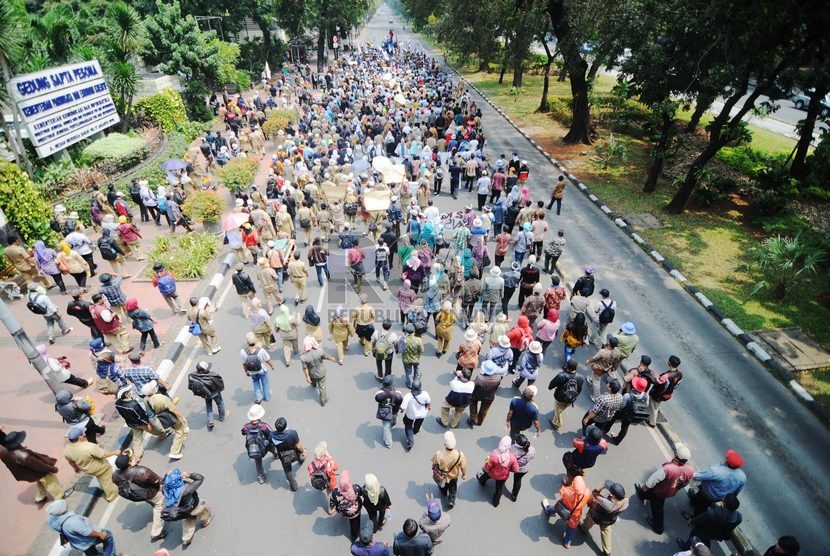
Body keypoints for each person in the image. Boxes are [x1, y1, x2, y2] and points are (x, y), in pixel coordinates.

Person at [0, 430, 72, 505]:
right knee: (50, 481)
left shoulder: (9, 453)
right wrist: (52, 469)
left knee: (40, 481)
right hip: (37, 471)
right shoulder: (23, 456)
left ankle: (40, 498)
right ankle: (60, 495)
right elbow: (39, 465)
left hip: (29, 474)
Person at [635, 443, 694, 534]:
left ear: (675, 454)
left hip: (659, 492)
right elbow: (686, 483)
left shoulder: (668, 468)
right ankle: (642, 495)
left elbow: (654, 479)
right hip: (671, 491)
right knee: (648, 495)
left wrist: (646, 486)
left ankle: (658, 528)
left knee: (657, 507)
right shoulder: (690, 470)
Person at [112, 452, 167, 541]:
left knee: (150, 501)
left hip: (137, 495)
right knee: (159, 506)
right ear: (129, 463)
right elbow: (159, 481)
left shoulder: (115, 476)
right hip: (152, 493)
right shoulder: (143, 471)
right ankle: (156, 532)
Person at [64, 426, 119, 502]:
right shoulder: (88, 446)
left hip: (86, 468)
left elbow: (70, 461)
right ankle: (111, 495)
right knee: (107, 480)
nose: (84, 435)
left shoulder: (67, 449)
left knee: (101, 478)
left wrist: (75, 468)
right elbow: (103, 454)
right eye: (82, 434)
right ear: (79, 438)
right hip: (100, 467)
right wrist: (115, 453)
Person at [160, 468, 213, 549]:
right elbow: (200, 478)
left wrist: (167, 475)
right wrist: (189, 475)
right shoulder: (187, 489)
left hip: (181, 511)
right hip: (194, 506)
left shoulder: (165, 489)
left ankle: (186, 538)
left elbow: (164, 481)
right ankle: (205, 521)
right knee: (204, 511)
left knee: (188, 521)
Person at [688, 449, 746, 518]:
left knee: (702, 507)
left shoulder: (716, 471)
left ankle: (694, 518)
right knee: (702, 501)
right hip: (719, 497)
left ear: (726, 461)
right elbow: (736, 492)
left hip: (707, 494)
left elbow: (698, 476)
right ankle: (694, 501)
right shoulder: (742, 476)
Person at [46, 499, 116, 556]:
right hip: (88, 539)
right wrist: (100, 534)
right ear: (61, 510)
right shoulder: (73, 522)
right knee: (108, 535)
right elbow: (88, 532)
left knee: (91, 553)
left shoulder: (51, 519)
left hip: (78, 543)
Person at [114, 385, 165, 461]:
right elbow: (141, 416)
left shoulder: (117, 403)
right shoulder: (133, 404)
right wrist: (148, 423)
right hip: (141, 423)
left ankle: (137, 455)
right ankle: (162, 434)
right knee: (154, 430)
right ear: (126, 394)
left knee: (137, 438)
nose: (131, 392)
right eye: (129, 391)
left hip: (131, 423)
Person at [141, 380, 188, 460]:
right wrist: (182, 417)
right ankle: (174, 452)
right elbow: (173, 410)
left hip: (163, 418)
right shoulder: (162, 398)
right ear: (151, 391)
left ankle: (184, 433)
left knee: (175, 427)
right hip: (170, 415)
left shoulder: (147, 401)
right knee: (179, 430)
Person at [542, 474, 591, 549]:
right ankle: (567, 542)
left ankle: (548, 510)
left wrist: (566, 487)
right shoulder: (587, 492)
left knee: (555, 508)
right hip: (575, 515)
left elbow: (561, 491)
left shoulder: (570, 492)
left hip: (563, 507)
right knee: (571, 528)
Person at [581, 481, 629, 556]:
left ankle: (583, 528)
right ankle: (607, 551)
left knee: (588, 521)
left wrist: (603, 486)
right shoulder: (625, 501)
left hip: (596, 516)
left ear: (613, 496)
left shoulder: (605, 502)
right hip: (609, 520)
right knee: (606, 531)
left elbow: (594, 493)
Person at [476, 435, 520, 507]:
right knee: (499, 489)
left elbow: (488, 466)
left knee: (485, 476)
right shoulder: (512, 457)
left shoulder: (494, 454)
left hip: (492, 473)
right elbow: (516, 469)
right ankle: (495, 502)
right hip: (503, 476)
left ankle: (481, 481)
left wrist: (485, 469)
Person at [607, 376, 650, 444]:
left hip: (626, 414)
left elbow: (621, 407)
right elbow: (646, 405)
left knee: (614, 416)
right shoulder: (646, 395)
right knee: (624, 427)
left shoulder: (627, 395)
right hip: (635, 416)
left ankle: (606, 429)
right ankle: (617, 441)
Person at [187, 361, 229, 430]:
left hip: (205, 394)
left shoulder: (193, 376)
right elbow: (220, 384)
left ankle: (210, 420)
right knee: (220, 403)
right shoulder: (212, 376)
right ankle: (222, 417)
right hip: (215, 393)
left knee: (208, 405)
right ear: (205, 370)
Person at [430, 431, 467, 508]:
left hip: (441, 476)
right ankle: (451, 500)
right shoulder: (460, 455)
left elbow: (434, 463)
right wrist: (464, 474)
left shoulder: (438, 454)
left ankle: (443, 493)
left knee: (442, 486)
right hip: (453, 476)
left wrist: (433, 467)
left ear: (445, 444)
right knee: (453, 488)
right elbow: (463, 467)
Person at [270, 417, 307, 492]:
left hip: (283, 458)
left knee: (288, 472)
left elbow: (272, 444)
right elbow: (299, 446)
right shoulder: (292, 433)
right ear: (285, 425)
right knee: (299, 456)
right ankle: (301, 460)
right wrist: (304, 451)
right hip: (294, 453)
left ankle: (294, 487)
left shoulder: (272, 436)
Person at [241, 404, 274, 484]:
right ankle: (276, 455)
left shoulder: (246, 426)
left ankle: (261, 477)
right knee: (272, 448)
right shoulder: (264, 426)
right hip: (265, 445)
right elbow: (271, 434)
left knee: (258, 462)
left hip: (255, 448)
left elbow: (243, 432)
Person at [328, 470, 364, 542]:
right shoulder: (355, 488)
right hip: (356, 510)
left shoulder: (335, 492)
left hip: (344, 511)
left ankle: (345, 518)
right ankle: (354, 536)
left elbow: (332, 503)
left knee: (350, 519)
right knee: (355, 523)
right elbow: (361, 493)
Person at [648, 355, 683, 427]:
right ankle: (650, 416)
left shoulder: (666, 376)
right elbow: (676, 385)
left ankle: (652, 423)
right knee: (655, 406)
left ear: (669, 363)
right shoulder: (680, 374)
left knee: (654, 407)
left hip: (658, 395)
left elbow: (655, 381)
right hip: (668, 394)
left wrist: (652, 375)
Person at [300, 335, 335, 406]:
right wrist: (331, 358)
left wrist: (307, 377)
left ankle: (313, 384)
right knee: (322, 386)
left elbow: (305, 368)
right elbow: (325, 356)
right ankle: (323, 400)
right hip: (321, 372)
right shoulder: (320, 351)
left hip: (312, 373)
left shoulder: (303, 357)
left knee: (313, 379)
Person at [240, 332, 274, 404]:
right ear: (255, 341)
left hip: (252, 371)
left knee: (255, 383)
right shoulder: (260, 350)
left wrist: (246, 372)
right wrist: (272, 365)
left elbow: (244, 364)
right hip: (262, 370)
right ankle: (267, 397)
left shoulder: (242, 352)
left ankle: (258, 398)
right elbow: (267, 360)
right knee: (265, 383)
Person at [401, 380, 431, 451]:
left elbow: (402, 407)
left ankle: (410, 441)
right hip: (422, 414)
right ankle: (415, 431)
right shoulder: (425, 394)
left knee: (407, 424)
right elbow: (428, 403)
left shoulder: (408, 396)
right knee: (418, 423)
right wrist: (428, 407)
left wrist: (400, 410)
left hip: (410, 414)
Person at [374, 375, 403, 448]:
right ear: (392, 384)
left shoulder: (379, 393)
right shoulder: (398, 393)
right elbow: (400, 401)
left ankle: (388, 443)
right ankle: (393, 422)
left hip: (385, 413)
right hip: (394, 410)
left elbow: (376, 399)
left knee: (386, 427)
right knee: (394, 417)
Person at [508, 433, 536, 501]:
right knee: (517, 480)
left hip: (512, 466)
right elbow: (532, 457)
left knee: (504, 473)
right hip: (524, 469)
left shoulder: (513, 448)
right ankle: (514, 496)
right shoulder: (532, 450)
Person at [400, 324, 424, 388]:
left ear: (406, 331)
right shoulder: (418, 340)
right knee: (417, 369)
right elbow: (422, 350)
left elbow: (400, 350)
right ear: (414, 331)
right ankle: (416, 381)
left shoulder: (402, 340)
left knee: (408, 372)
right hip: (416, 359)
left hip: (406, 359)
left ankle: (410, 384)